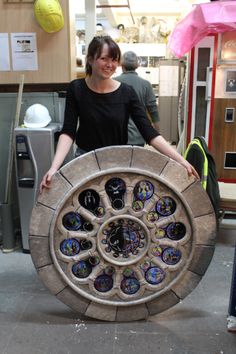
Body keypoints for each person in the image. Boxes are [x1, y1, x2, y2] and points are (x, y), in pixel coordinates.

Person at [40, 35, 198, 192]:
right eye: (104, 58)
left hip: (117, 162)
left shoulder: (126, 92)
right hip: (85, 162)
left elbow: (149, 132)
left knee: (116, 209)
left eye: (114, 60)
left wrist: (181, 161)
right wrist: (54, 168)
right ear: (90, 59)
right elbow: (68, 132)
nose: (110, 65)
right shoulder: (76, 89)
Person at [115, 51, 159, 147]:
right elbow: (153, 109)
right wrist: (157, 131)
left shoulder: (113, 82)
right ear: (137, 66)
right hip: (139, 135)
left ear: (121, 65)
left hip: (117, 135)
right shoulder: (146, 84)